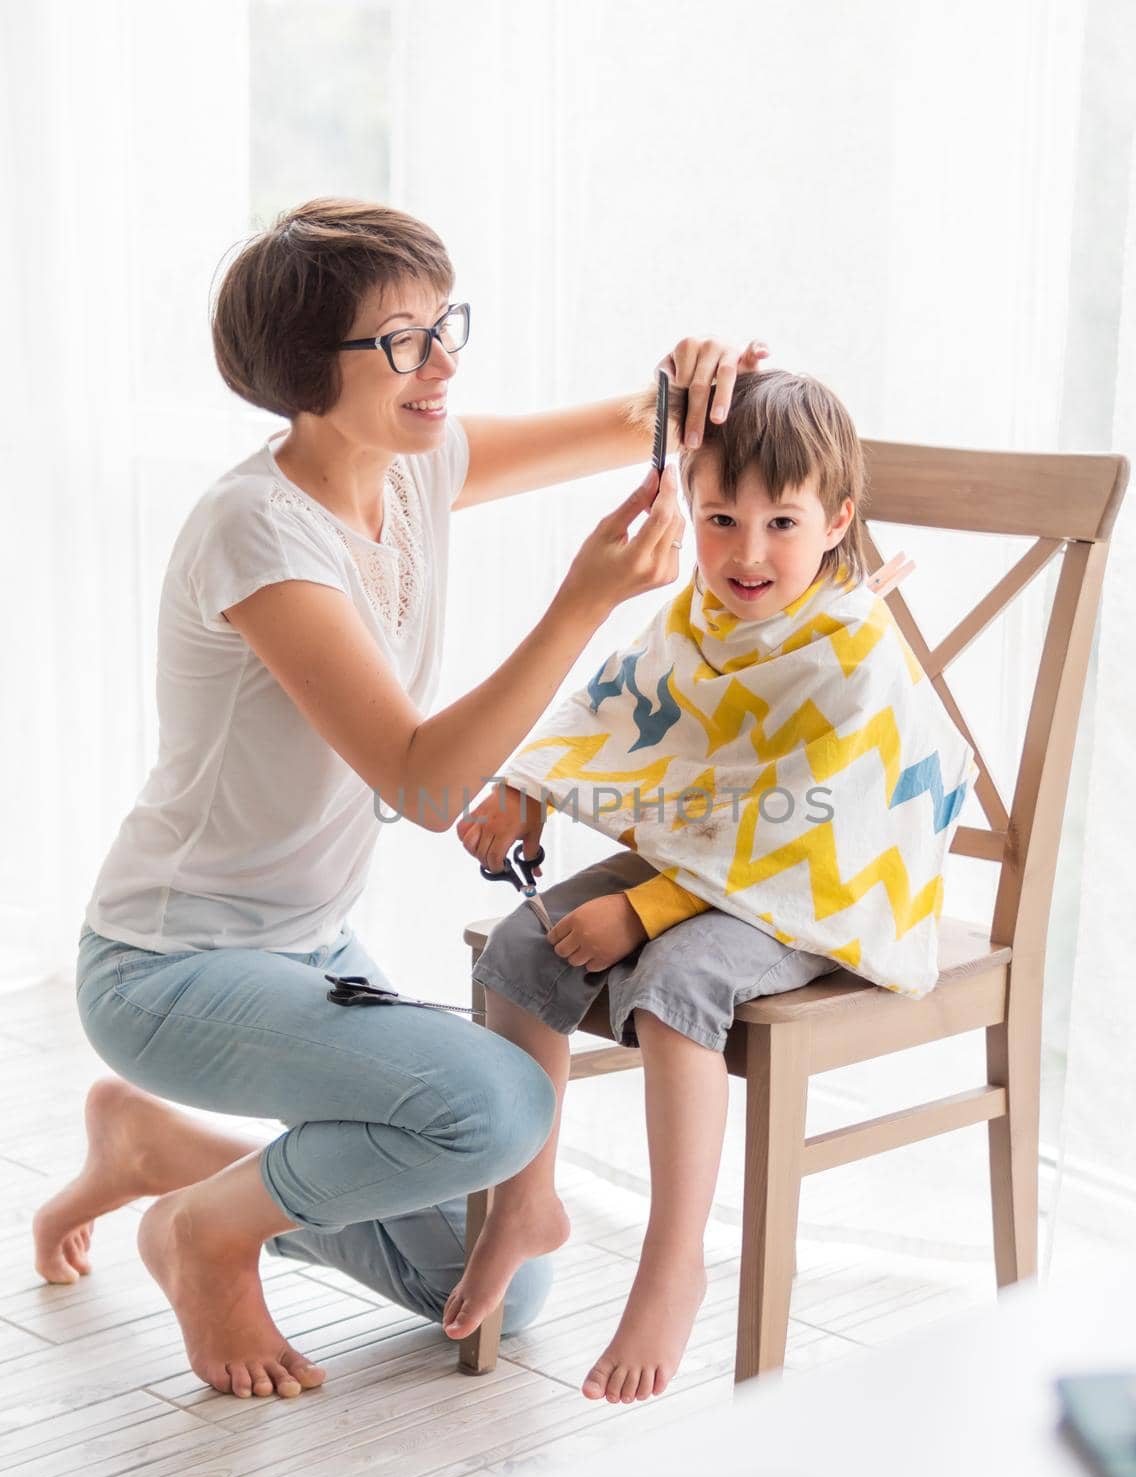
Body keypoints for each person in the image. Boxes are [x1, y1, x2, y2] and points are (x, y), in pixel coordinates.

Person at [37, 196, 768, 1403]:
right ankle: (205, 1235)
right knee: (501, 1103)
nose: (444, 363)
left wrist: (701, 375)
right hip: (167, 964)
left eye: (444, 326)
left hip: (305, 947)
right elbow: (426, 782)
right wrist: (581, 600)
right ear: (306, 373)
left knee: (497, 1282)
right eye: (404, 342)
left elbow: (634, 420)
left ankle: (160, 1153)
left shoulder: (413, 465)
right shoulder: (257, 533)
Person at [448, 370, 882, 1403]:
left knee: (679, 981)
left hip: (817, 885)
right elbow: (612, 710)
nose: (746, 552)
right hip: (707, 854)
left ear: (837, 522)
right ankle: (526, 1197)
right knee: (519, 947)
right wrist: (527, 792)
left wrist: (641, 909)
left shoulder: (848, 647)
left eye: (782, 522)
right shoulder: (697, 614)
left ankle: (673, 1255)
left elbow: (808, 828)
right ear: (688, 506)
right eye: (719, 517)